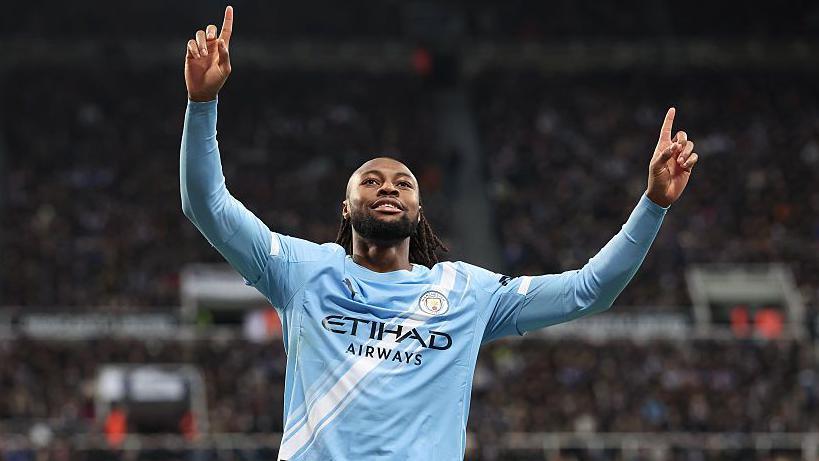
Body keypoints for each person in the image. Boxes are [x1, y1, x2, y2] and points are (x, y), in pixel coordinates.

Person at [180, 7, 699, 460]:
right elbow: (207, 205)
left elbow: (589, 290)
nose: (388, 187)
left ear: (419, 209)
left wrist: (653, 204)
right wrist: (202, 104)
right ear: (346, 206)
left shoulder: (467, 293)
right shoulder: (301, 271)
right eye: (371, 181)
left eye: (403, 183)